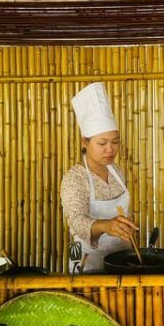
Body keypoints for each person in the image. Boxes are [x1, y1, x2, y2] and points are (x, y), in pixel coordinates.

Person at [61, 82, 138, 274]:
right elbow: (76, 221)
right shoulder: (75, 178)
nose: (110, 149)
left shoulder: (116, 171)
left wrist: (126, 224)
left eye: (115, 142)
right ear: (85, 142)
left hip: (122, 258)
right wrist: (106, 225)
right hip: (88, 262)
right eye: (102, 143)